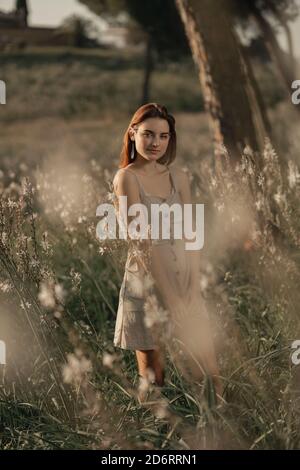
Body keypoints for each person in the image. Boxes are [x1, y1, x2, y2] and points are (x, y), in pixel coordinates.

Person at [112, 103, 223, 401]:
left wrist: (192, 288)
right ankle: (154, 440)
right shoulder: (126, 178)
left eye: (163, 136)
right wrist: (171, 298)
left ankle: (216, 430)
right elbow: (141, 243)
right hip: (146, 284)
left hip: (184, 279)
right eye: (148, 134)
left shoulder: (180, 177)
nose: (155, 143)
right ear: (133, 133)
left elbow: (192, 235)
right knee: (153, 380)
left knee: (209, 373)